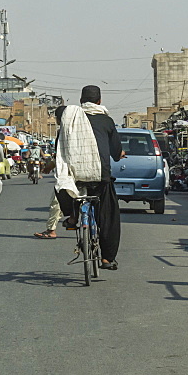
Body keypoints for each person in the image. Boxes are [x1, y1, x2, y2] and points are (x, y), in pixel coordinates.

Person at [54, 86, 125, 271]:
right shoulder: (107, 121)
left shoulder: (70, 120)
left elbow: (60, 148)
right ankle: (107, 259)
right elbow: (116, 151)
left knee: (64, 186)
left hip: (76, 175)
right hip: (100, 176)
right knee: (109, 216)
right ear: (99, 101)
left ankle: (72, 216)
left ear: (81, 101)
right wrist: (119, 154)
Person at [35, 106, 66, 239]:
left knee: (56, 201)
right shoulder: (87, 130)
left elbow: (59, 155)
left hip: (66, 174)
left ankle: (51, 230)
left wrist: (49, 167)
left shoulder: (62, 132)